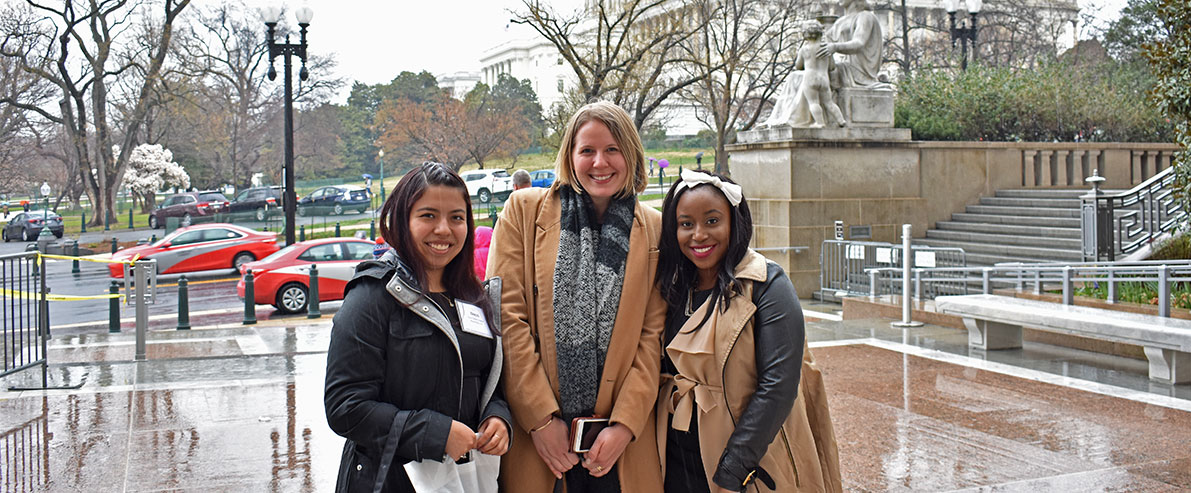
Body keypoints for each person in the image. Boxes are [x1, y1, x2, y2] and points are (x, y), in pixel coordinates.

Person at [489, 100, 666, 493]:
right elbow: (505, 316)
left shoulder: (654, 228)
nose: (599, 162)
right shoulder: (524, 210)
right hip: (541, 440)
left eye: (612, 149)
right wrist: (538, 418)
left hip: (619, 447)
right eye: (587, 150)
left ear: (631, 155)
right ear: (570, 156)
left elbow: (651, 337)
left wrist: (624, 426)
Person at [325, 162, 512, 493]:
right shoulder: (372, 296)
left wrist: (497, 417)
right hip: (393, 478)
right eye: (428, 216)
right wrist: (434, 433)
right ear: (402, 222)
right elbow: (345, 406)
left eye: (457, 218)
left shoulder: (472, 295)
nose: (444, 229)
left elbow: (487, 379)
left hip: (468, 477)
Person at [655, 169, 841, 493]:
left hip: (745, 464)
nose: (699, 235)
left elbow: (778, 386)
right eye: (686, 224)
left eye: (712, 221)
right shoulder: (671, 287)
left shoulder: (767, 284)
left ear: (734, 221)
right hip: (676, 461)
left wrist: (734, 467)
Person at [816, 0, 885, 89]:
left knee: (814, 78)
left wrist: (835, 47)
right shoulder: (840, 22)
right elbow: (825, 42)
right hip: (840, 66)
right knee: (798, 76)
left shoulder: (865, 16)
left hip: (857, 71)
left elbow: (859, 43)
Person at [793, 25, 845, 128]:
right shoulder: (826, 48)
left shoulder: (804, 49)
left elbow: (798, 66)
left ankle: (820, 123)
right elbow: (832, 67)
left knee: (813, 103)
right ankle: (841, 120)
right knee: (829, 103)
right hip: (824, 78)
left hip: (810, 78)